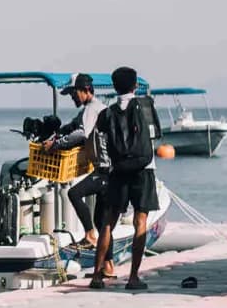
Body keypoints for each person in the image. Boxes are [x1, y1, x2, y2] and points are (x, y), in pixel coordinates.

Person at [89, 66, 156, 292]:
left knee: (109, 221)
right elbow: (154, 135)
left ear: (114, 86)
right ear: (135, 85)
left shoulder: (106, 113)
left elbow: (95, 143)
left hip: (118, 171)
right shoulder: (145, 106)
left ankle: (97, 276)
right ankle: (133, 277)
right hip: (143, 169)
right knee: (140, 222)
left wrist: (104, 166)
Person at [47, 73, 108, 247]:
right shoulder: (94, 108)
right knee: (101, 221)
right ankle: (105, 261)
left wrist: (56, 145)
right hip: (104, 169)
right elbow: (74, 125)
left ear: (86, 90)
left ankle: (90, 237)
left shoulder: (91, 110)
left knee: (74, 193)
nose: (73, 97)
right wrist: (58, 133)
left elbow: (82, 134)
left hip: (105, 170)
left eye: (75, 93)